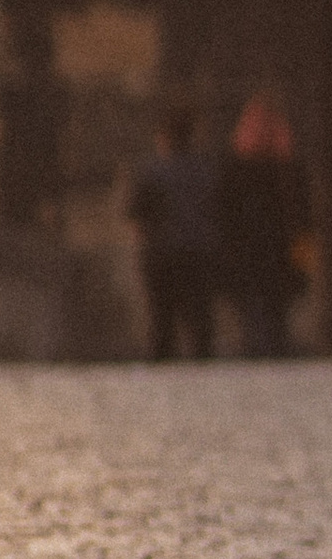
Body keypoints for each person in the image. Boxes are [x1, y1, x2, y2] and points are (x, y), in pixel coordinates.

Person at [217, 92, 311, 358]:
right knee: (276, 320)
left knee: (253, 321)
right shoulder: (289, 172)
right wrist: (304, 262)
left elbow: (224, 217)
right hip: (280, 257)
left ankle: (259, 360)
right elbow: (303, 223)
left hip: (246, 258)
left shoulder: (234, 171)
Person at [126, 106, 220, 363]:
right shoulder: (206, 172)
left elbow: (137, 217)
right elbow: (217, 212)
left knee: (161, 319)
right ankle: (202, 370)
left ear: (163, 137)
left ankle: (161, 370)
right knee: (199, 320)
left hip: (161, 254)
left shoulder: (151, 172)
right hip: (198, 252)